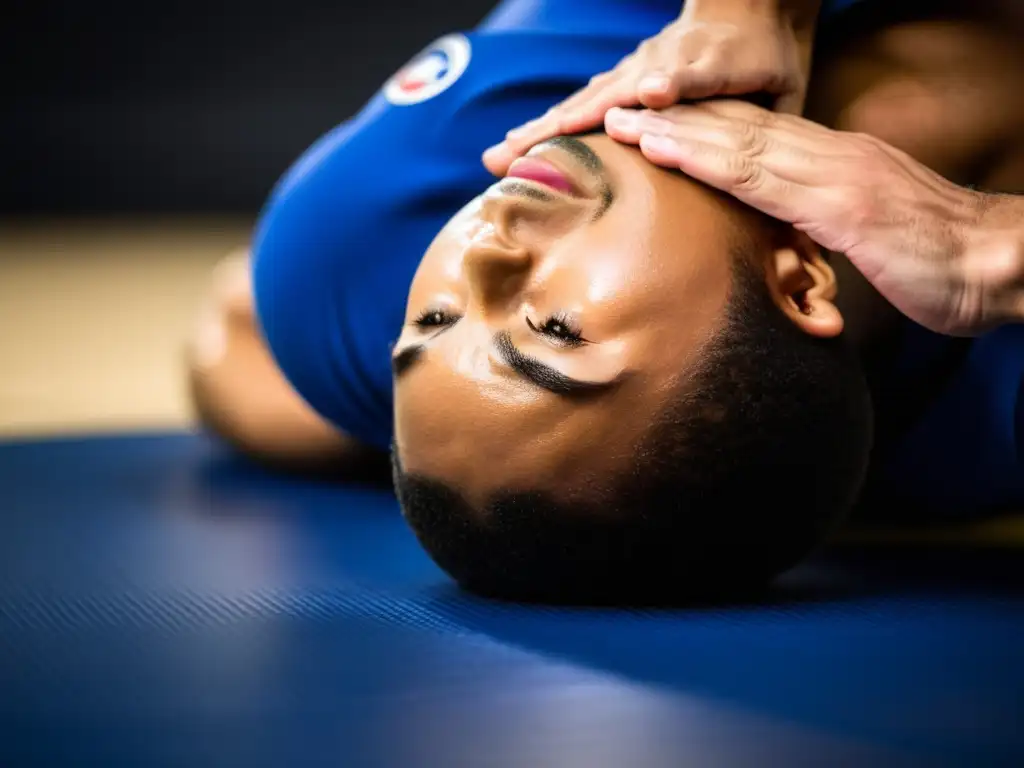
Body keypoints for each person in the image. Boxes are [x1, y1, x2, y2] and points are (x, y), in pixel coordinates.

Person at [188, 0, 1024, 600]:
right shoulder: (999, 415)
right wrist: (989, 246)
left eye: (435, 324)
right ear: (800, 282)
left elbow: (231, 346)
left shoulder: (373, 240)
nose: (478, 259)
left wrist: (744, 9)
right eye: (554, 328)